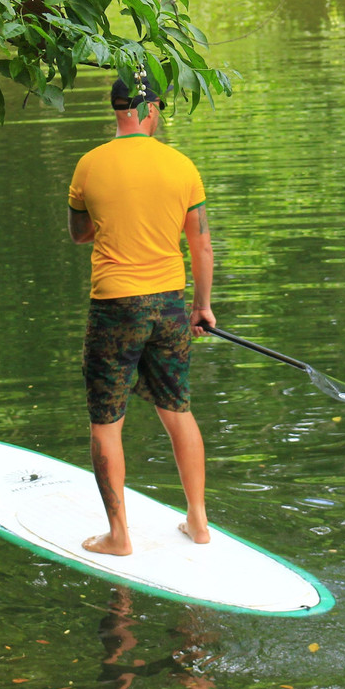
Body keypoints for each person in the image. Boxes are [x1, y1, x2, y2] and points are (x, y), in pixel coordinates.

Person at [68, 73, 215, 554]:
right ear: (150, 109)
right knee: (178, 410)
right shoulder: (181, 166)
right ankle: (198, 522)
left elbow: (79, 233)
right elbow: (201, 245)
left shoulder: (89, 165)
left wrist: (116, 217)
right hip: (169, 304)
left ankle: (119, 536)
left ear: (117, 109)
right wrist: (201, 307)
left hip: (114, 306)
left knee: (106, 422)